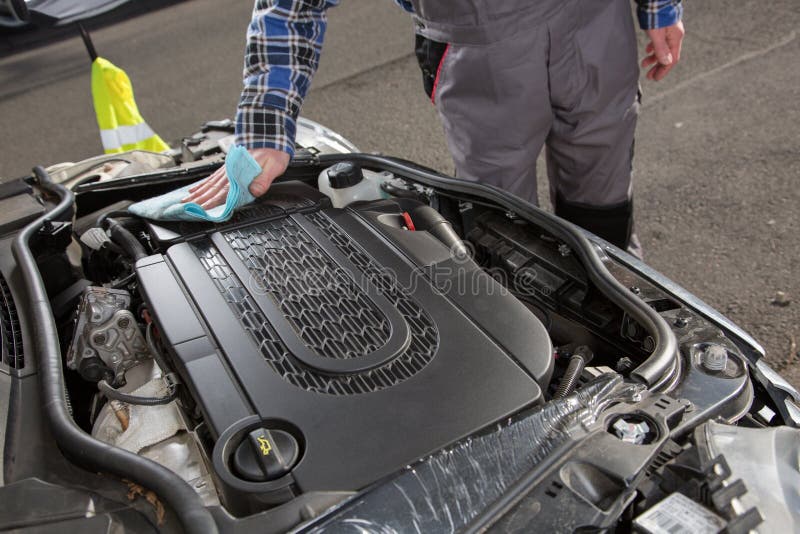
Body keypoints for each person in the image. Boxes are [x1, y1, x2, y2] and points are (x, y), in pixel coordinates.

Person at [183, 0, 684, 254]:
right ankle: (541, 355)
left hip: (598, 24)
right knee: (506, 234)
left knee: (603, 209)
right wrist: (267, 129)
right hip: (479, 53)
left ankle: (627, 319)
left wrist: (661, 7)